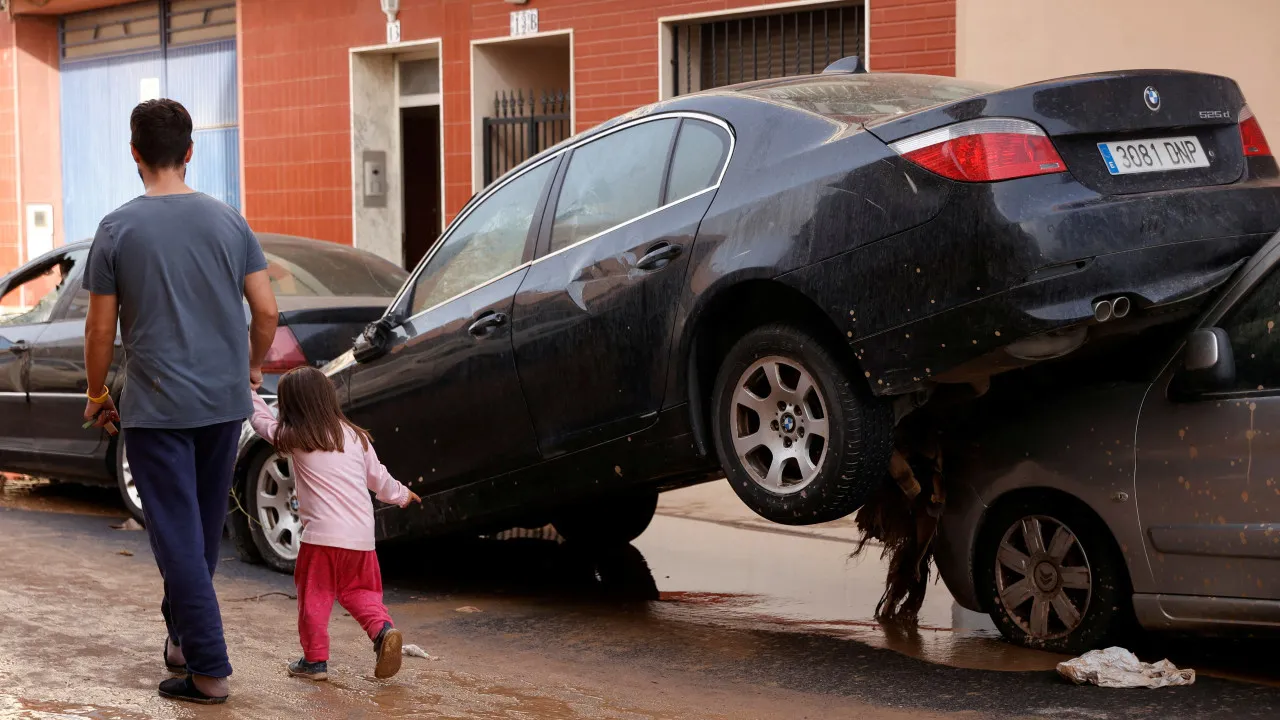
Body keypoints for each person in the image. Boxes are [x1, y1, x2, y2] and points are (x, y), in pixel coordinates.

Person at [82, 98, 279, 705]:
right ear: (190, 152)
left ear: (135, 155)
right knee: (193, 536)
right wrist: (249, 368)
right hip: (224, 402)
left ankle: (210, 669)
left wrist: (96, 392)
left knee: (175, 537)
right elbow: (267, 311)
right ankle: (180, 642)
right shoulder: (229, 221)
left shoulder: (117, 229)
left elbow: (99, 330)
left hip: (157, 406)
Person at [247, 366, 421, 681]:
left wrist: (248, 391)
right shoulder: (356, 437)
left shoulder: (296, 437)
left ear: (292, 406)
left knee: (315, 596)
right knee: (361, 592)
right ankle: (383, 631)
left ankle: (314, 662)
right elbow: (379, 480)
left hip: (321, 539)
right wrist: (402, 494)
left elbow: (261, 422)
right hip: (361, 539)